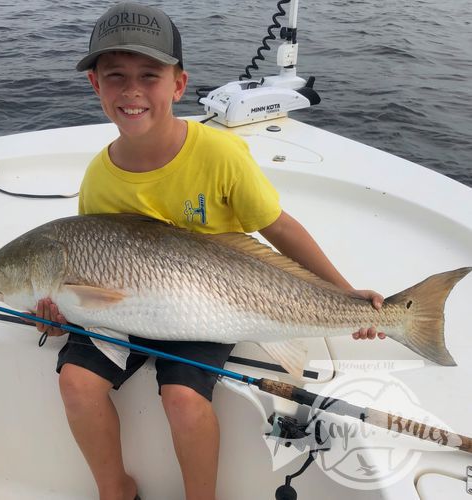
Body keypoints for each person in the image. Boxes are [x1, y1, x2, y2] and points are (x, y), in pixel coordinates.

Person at [34, 3, 385, 499]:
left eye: (150, 75)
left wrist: (346, 295)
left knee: (183, 398)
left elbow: (279, 227)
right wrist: (57, 311)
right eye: (115, 76)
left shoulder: (220, 156)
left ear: (179, 85)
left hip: (213, 303)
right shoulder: (99, 176)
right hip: (124, 309)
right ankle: (115, 489)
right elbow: (91, 265)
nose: (132, 91)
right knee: (75, 382)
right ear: (96, 85)